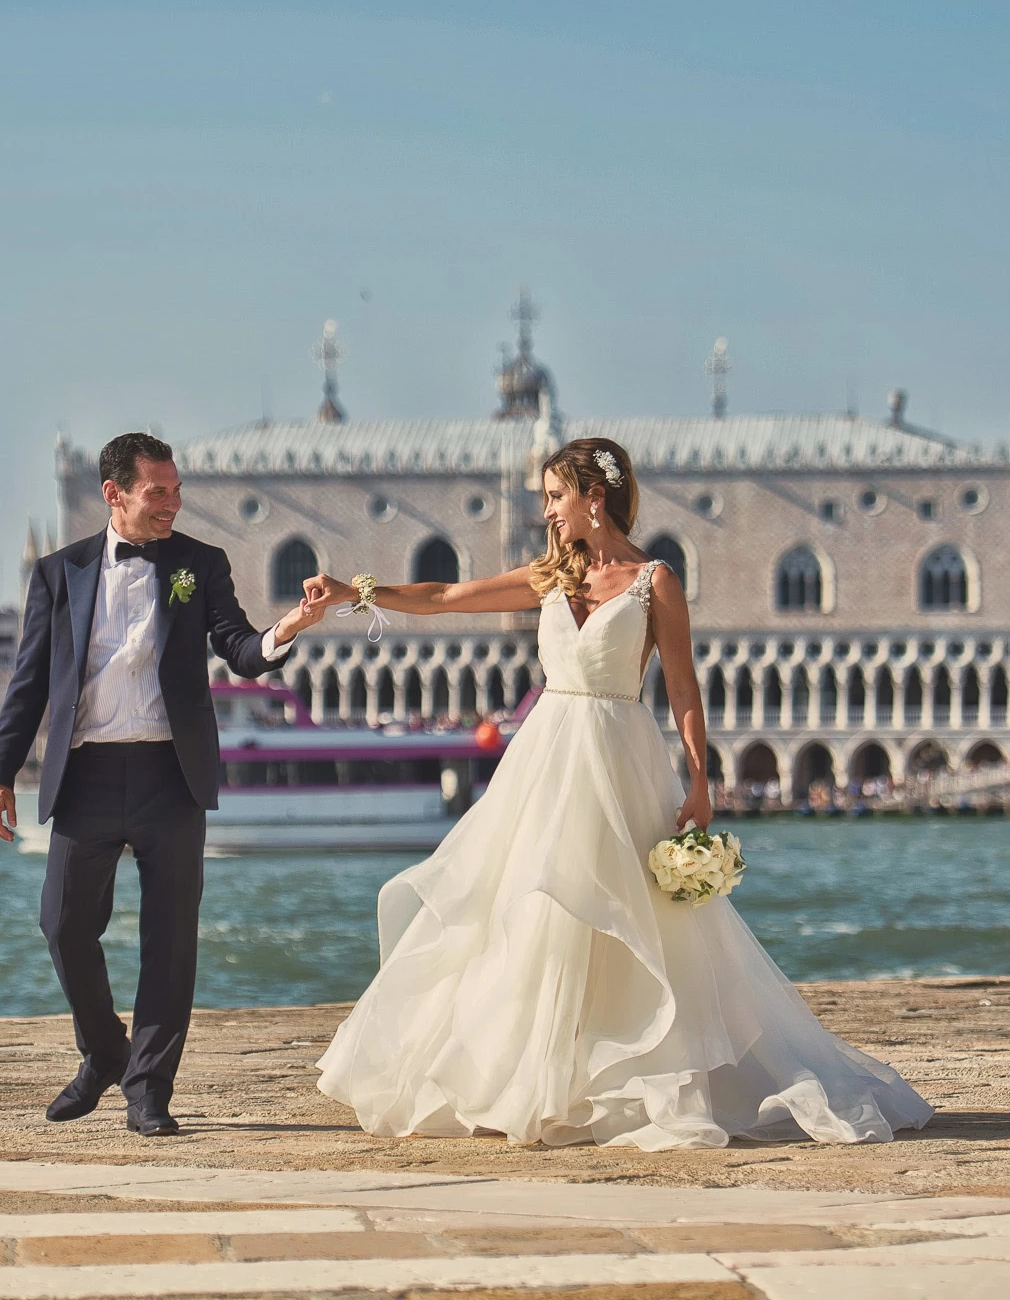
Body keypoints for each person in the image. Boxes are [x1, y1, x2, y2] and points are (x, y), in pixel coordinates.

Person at [304, 437, 933, 1150]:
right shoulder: (549, 576)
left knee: (625, 915)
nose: (545, 511)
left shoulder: (654, 581)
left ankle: (633, 1075)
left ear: (591, 498)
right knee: (531, 907)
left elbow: (683, 687)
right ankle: (533, 1078)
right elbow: (447, 597)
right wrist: (355, 593)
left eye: (553, 496)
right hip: (547, 760)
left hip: (619, 755)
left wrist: (700, 780)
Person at [0, 431, 323, 1136]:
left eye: (177, 490)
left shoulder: (193, 567)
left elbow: (237, 645)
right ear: (115, 494)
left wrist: (286, 628)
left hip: (172, 773)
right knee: (63, 924)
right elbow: (30, 680)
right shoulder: (59, 573)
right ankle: (106, 1051)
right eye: (157, 491)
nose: (173, 503)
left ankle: (149, 1091)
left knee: (171, 940)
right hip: (87, 774)